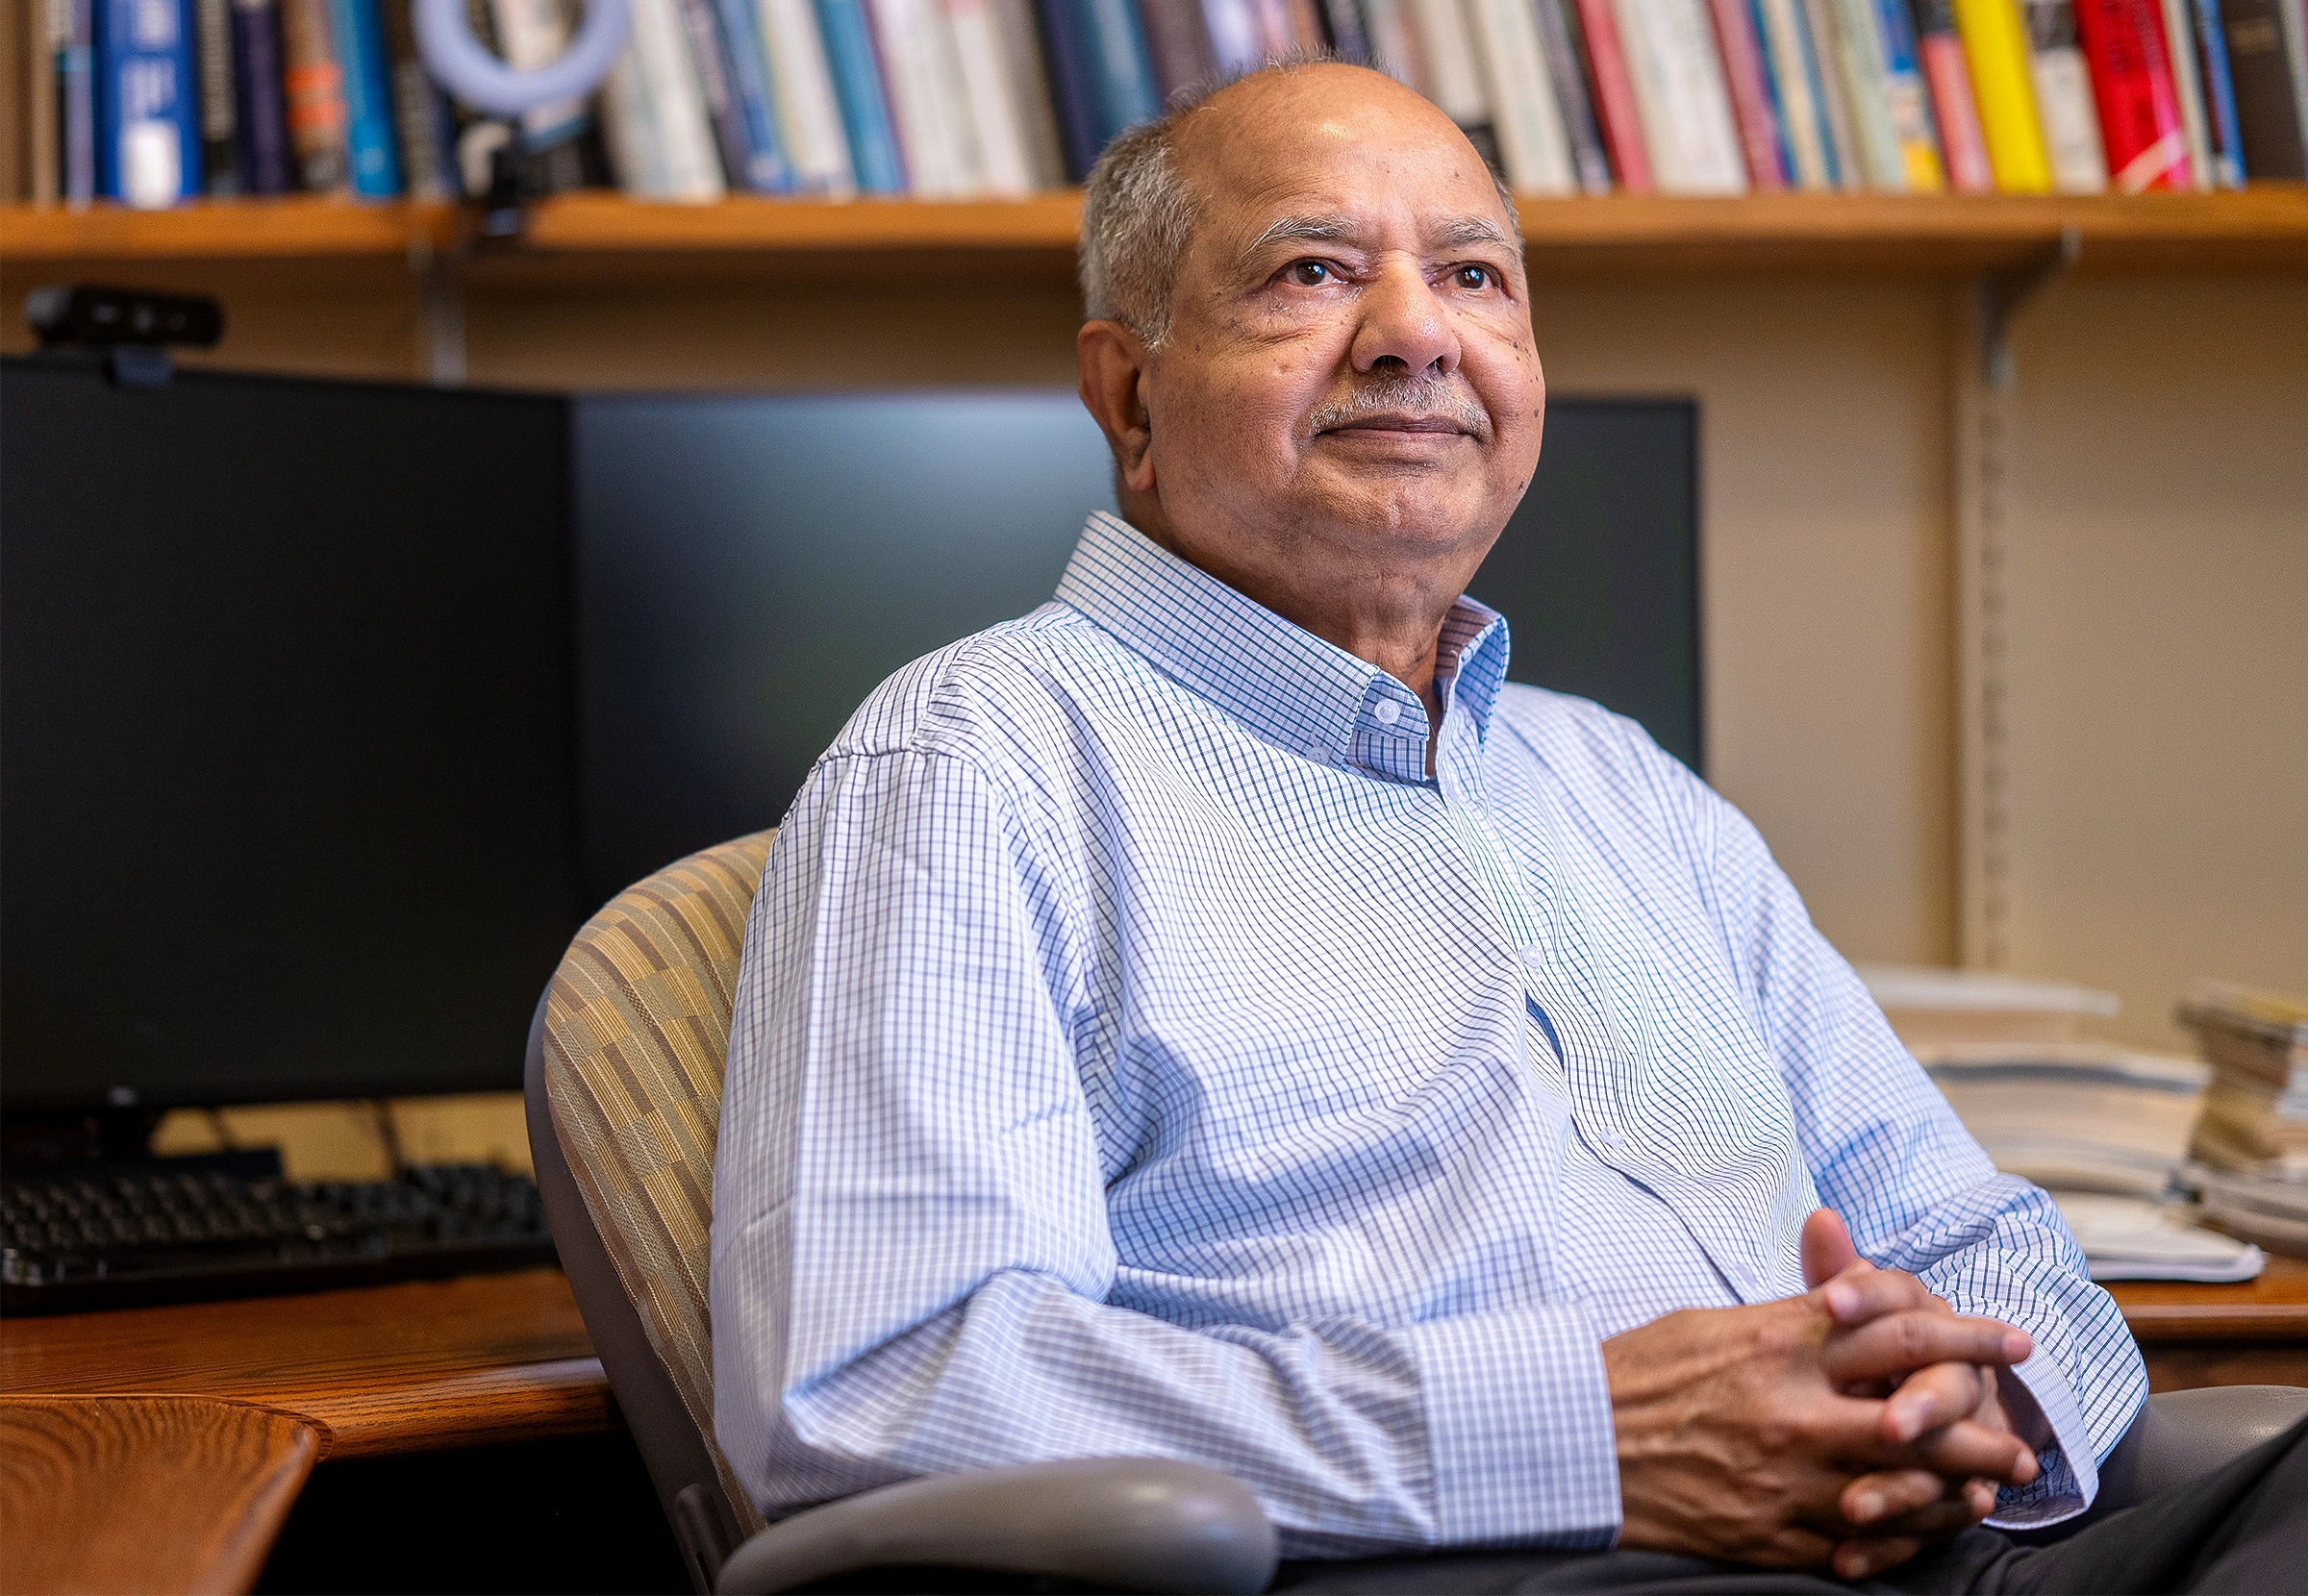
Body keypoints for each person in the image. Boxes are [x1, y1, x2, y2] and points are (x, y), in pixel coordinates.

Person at [711, 60, 2306, 1594]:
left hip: (1937, 1544)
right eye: (1311, 271)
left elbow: (1978, 1230)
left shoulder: (1620, 786)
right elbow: (876, 1392)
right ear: (1129, 394)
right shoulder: (973, 768)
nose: (1415, 335)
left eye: (1476, 277)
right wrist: (1588, 1440)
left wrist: (1974, 1412)